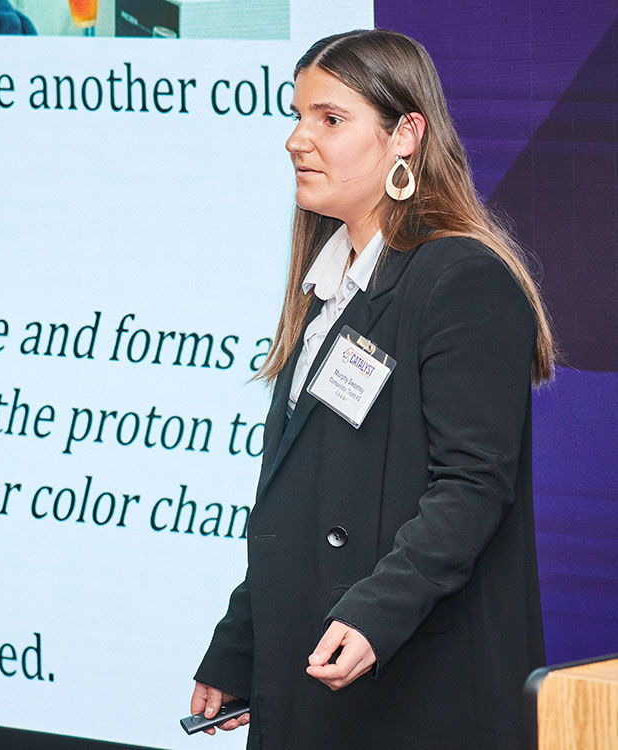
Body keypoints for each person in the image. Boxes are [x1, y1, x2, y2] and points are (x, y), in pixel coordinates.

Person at [191, 28, 555, 750]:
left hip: (415, 682)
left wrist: (374, 616)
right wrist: (241, 645)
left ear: (405, 135)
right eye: (296, 116)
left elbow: (472, 487)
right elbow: (299, 503)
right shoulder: (329, 289)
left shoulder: (462, 280)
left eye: (330, 119)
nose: (298, 140)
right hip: (318, 671)